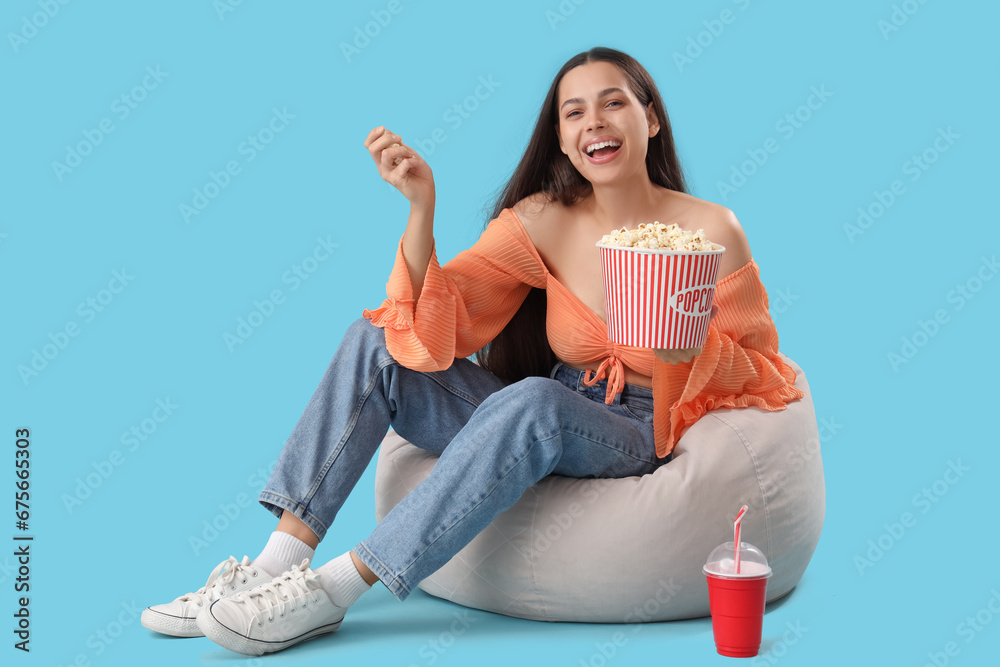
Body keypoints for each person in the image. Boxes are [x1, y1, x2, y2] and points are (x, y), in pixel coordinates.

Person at [141, 46, 804, 656]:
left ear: (650, 119)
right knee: (377, 341)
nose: (594, 123)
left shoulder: (711, 228)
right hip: (543, 406)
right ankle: (272, 568)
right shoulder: (543, 219)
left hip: (636, 425)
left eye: (614, 102)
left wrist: (682, 350)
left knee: (536, 399)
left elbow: (762, 368)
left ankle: (334, 589)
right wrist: (422, 208)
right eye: (574, 112)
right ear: (564, 139)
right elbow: (442, 319)